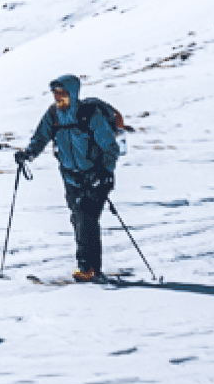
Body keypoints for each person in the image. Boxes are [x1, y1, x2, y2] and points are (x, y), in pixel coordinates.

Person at [14, 74, 130, 282]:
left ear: (72, 93)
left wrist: (105, 172)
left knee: (86, 217)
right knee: (79, 219)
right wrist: (28, 154)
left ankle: (87, 267)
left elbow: (110, 147)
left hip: (96, 176)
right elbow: (40, 137)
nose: (58, 97)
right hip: (70, 177)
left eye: (62, 93)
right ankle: (92, 268)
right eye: (55, 93)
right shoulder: (53, 115)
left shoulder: (90, 114)